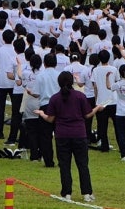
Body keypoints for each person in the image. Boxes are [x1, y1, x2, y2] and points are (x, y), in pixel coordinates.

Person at [36, 71, 104, 204]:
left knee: (65, 165)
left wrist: (42, 114)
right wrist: (97, 109)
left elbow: (50, 119)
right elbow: (87, 115)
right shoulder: (80, 96)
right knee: (83, 165)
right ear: (72, 81)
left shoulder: (55, 98)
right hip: (79, 134)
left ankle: (67, 193)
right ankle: (87, 193)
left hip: (62, 135)